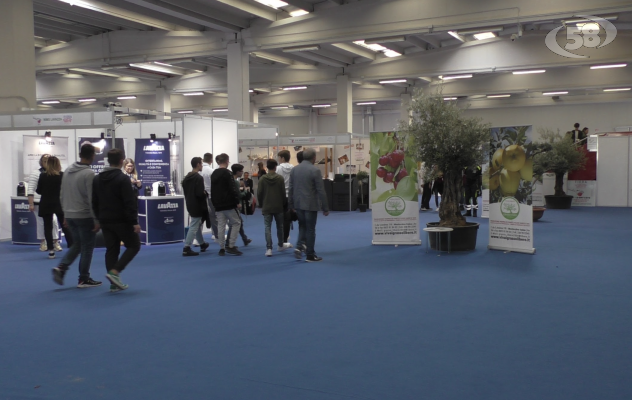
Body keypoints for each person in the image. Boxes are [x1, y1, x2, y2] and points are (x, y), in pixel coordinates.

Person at [52, 144, 102, 288]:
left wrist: (65, 215)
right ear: (92, 155)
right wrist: (96, 219)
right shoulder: (89, 174)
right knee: (87, 247)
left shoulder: (67, 171)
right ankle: (83, 278)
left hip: (69, 214)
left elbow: (62, 195)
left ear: (80, 154)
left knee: (78, 244)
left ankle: (61, 268)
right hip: (84, 215)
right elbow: (92, 198)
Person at [92, 148, 141, 292]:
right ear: (121, 161)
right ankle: (115, 272)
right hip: (122, 220)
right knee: (134, 245)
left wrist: (98, 218)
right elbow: (129, 202)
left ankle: (114, 284)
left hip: (105, 220)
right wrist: (134, 222)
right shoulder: (122, 179)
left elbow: (94, 201)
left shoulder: (97, 178)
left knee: (112, 250)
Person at [288, 148, 329, 262]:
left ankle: (299, 246)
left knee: (302, 226)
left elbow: (291, 188)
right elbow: (321, 190)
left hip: (298, 203)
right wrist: (325, 207)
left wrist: (291, 204)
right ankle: (310, 255)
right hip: (310, 204)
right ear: (314, 158)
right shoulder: (315, 170)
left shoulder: (294, 170)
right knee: (311, 229)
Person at [36, 156, 74, 259]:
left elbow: (38, 191)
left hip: (46, 203)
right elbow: (67, 190)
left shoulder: (43, 176)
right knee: (65, 225)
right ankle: (72, 246)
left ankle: (51, 251)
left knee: (48, 228)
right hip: (59, 203)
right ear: (58, 164)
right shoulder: (62, 175)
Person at [27, 154, 61, 252]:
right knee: (41, 223)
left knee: (54, 222)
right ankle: (43, 242)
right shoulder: (36, 173)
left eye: (48, 161)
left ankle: (55, 241)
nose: (46, 163)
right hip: (39, 202)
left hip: (53, 202)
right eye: (44, 161)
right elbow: (31, 189)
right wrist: (31, 203)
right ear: (41, 162)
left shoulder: (56, 173)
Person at [211, 153, 242, 256]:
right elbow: (232, 189)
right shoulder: (228, 173)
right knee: (236, 222)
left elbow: (213, 190)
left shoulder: (214, 173)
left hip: (218, 204)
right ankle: (231, 245)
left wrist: (214, 203)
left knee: (221, 225)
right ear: (226, 161)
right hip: (229, 203)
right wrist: (237, 201)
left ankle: (222, 247)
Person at [258, 159, 289, 257]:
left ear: (267, 167)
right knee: (280, 226)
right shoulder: (280, 178)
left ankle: (269, 248)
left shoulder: (262, 179)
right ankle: (280, 245)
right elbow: (283, 193)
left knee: (267, 227)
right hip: (278, 206)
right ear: (275, 167)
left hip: (267, 206)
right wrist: (283, 203)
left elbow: (259, 193)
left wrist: (262, 204)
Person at [181, 157, 210, 257]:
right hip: (198, 205)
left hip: (190, 203)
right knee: (194, 226)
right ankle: (187, 247)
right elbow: (199, 194)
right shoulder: (198, 178)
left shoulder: (186, 178)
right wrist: (205, 193)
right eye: (201, 164)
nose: (202, 166)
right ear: (198, 164)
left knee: (196, 224)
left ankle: (202, 244)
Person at [226, 164, 252, 247]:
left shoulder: (230, 180)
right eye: (241, 171)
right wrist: (245, 191)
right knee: (235, 223)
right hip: (236, 205)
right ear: (237, 172)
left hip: (231, 205)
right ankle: (228, 243)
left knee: (238, 223)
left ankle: (244, 239)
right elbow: (239, 195)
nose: (242, 173)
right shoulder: (236, 182)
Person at [277, 150, 295, 245]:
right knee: (288, 219)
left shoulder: (278, 169)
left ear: (283, 158)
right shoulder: (293, 168)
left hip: (281, 196)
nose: (278, 159)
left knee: (280, 218)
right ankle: (286, 237)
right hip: (291, 196)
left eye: (279, 157)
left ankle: (282, 239)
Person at [200, 153, 218, 240]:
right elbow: (215, 184)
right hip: (211, 195)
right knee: (213, 216)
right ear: (211, 160)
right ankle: (215, 234)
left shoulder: (199, 170)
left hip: (200, 196)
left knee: (200, 217)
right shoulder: (210, 171)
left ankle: (197, 238)